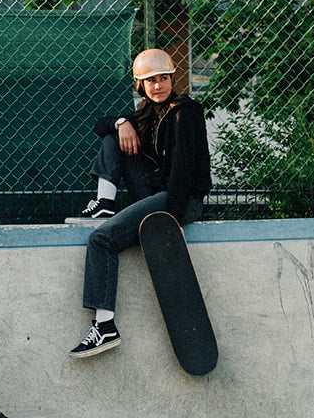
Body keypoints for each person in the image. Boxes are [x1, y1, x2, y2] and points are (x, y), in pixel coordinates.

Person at [68, 47, 211, 357]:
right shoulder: (148, 113)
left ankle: (104, 327)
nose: (158, 86)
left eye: (163, 79)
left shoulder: (184, 112)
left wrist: (171, 218)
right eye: (150, 81)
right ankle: (105, 202)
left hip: (180, 200)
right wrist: (122, 122)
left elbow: (184, 170)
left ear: (173, 79)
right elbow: (100, 124)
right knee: (114, 135)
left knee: (101, 239)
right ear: (141, 86)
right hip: (156, 194)